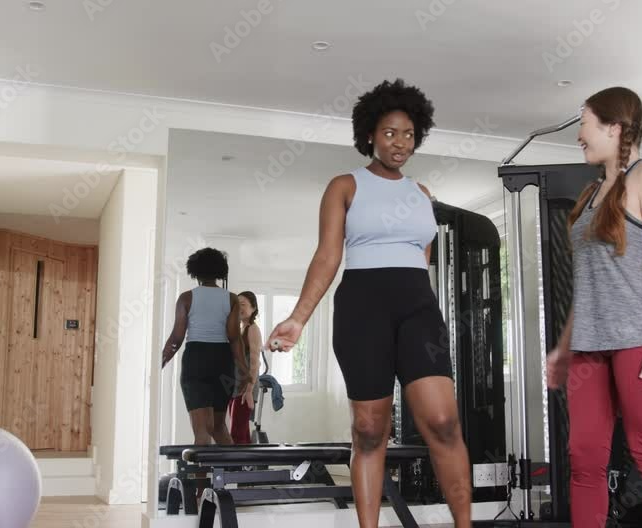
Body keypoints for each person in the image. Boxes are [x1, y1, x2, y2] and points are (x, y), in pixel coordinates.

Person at [265, 78, 472, 528]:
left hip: (417, 307)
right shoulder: (345, 185)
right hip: (362, 308)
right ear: (370, 135)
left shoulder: (421, 194)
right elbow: (327, 256)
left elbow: (421, 258)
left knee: (443, 422)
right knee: (370, 430)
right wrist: (298, 319)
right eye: (390, 133)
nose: (401, 143)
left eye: (409, 135)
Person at [545, 86, 642, 527]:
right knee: (584, 459)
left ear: (613, 127)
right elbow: (588, 286)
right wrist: (563, 347)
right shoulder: (592, 193)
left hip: (636, 342)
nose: (579, 135)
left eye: (584, 124)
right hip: (588, 347)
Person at [161, 248, 246, 447]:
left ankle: (203, 470)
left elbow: (176, 338)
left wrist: (159, 362)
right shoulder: (231, 298)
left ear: (195, 271)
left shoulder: (186, 298)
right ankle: (233, 468)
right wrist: (243, 370)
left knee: (202, 431)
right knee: (219, 427)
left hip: (196, 359)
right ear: (220, 271)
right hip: (222, 361)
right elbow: (234, 338)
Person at [227, 291, 262, 444]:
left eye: (243, 304)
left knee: (237, 434)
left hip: (245, 388)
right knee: (241, 433)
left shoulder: (252, 329)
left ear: (253, 308)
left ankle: (237, 462)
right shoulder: (241, 328)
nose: (239, 308)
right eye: (237, 304)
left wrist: (249, 390)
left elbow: (255, 362)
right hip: (236, 386)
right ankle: (246, 460)